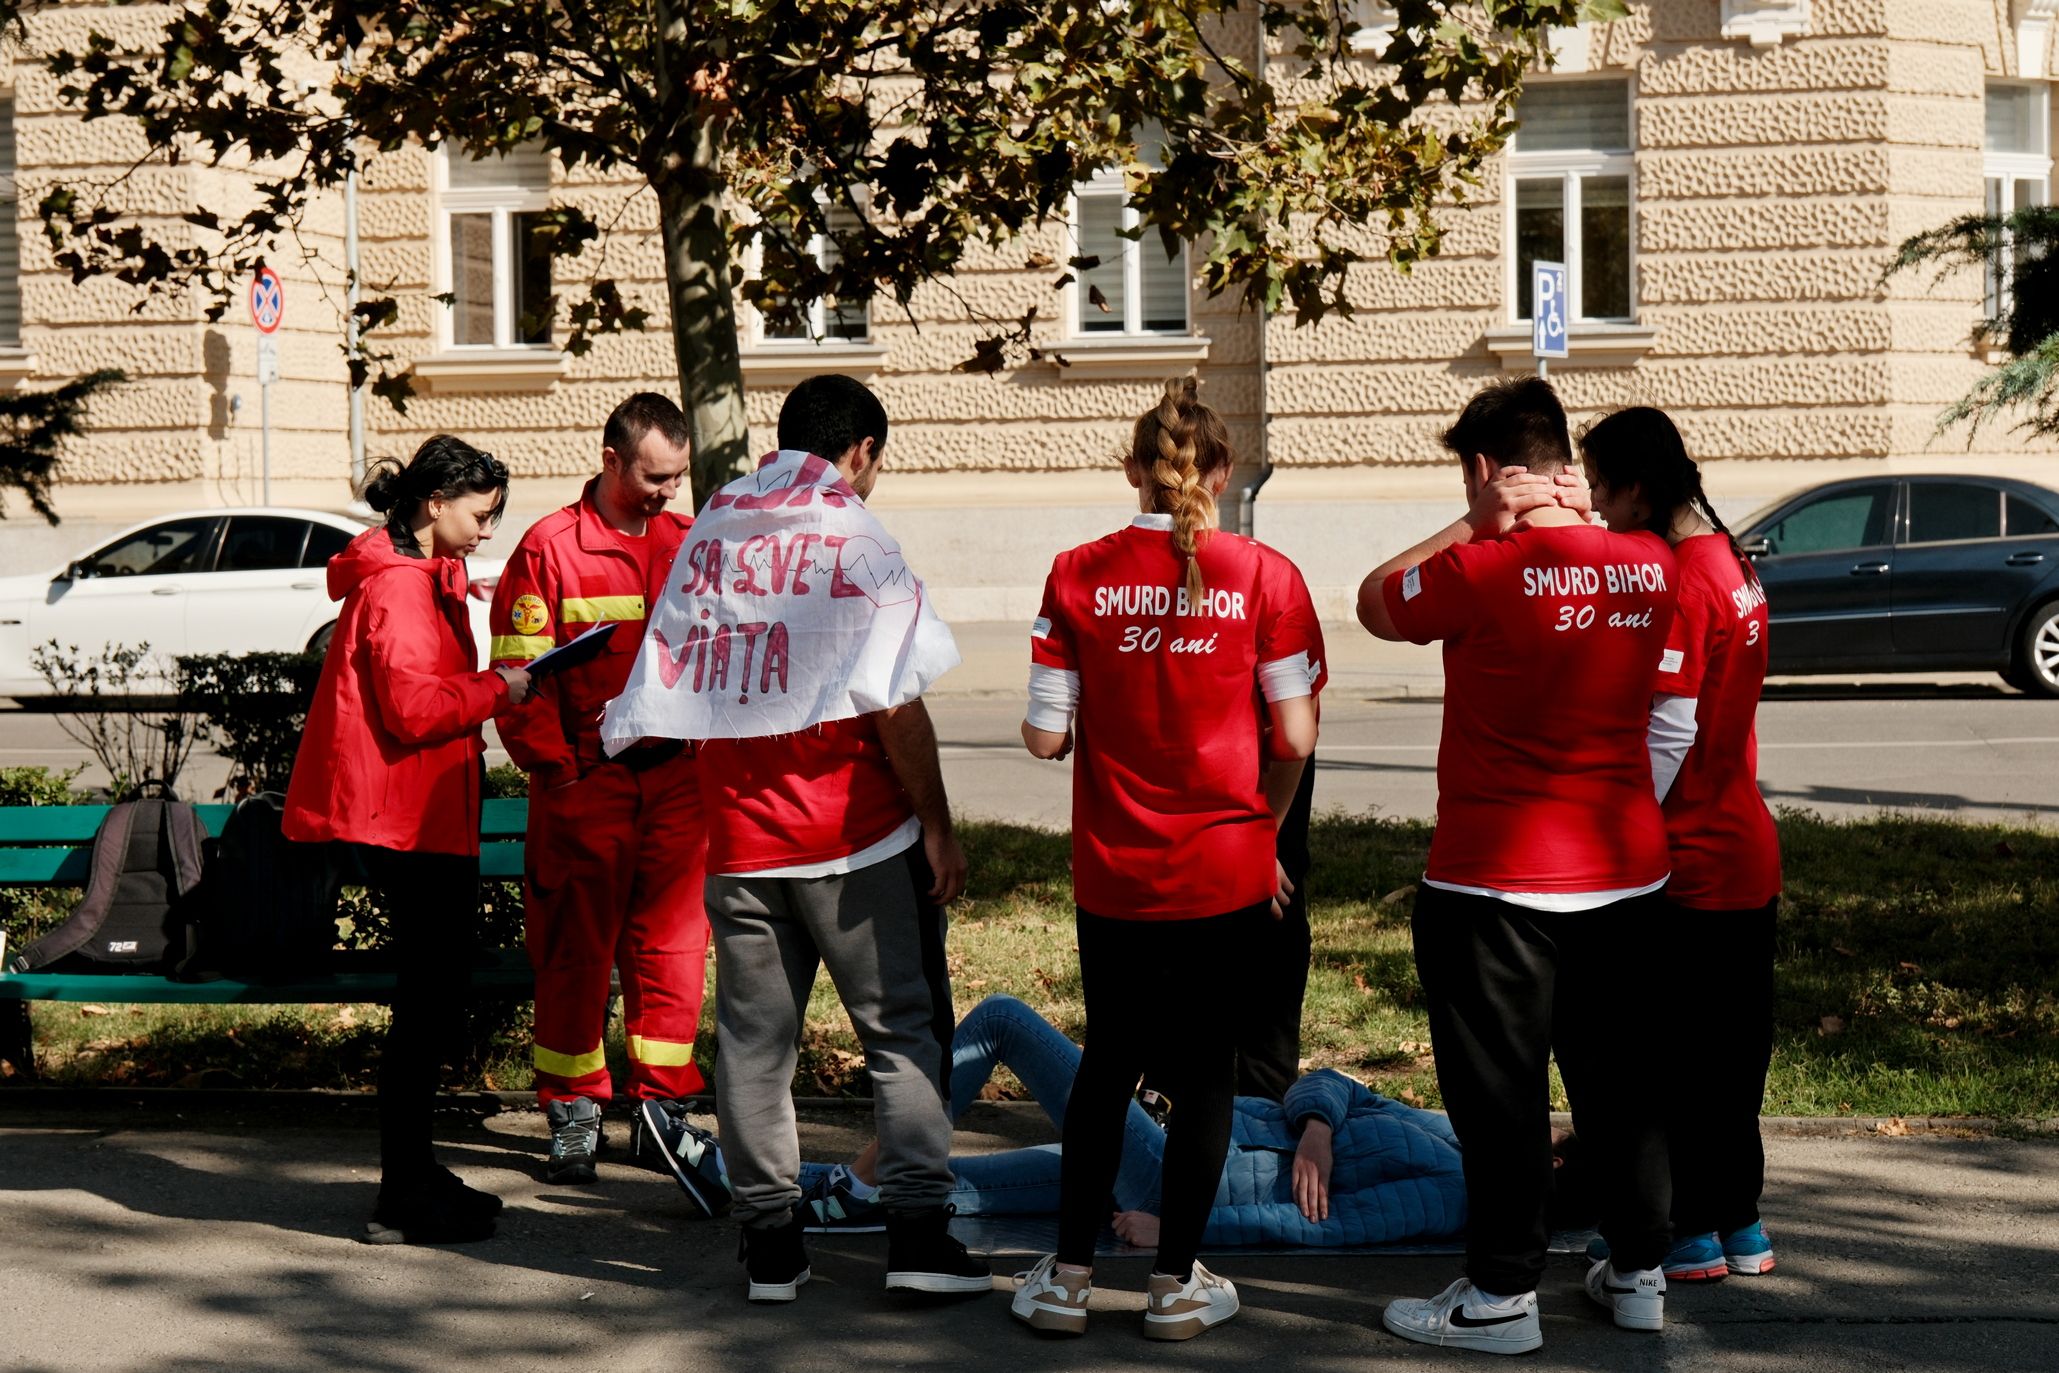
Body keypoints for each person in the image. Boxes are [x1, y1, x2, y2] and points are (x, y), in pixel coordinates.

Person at [1356, 376, 1680, 1355]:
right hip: (1624, 869)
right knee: (1619, 1082)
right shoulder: (1649, 564)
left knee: (1500, 1093)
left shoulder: (1479, 568)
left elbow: (1375, 602)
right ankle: (1638, 1270)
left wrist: (1472, 527)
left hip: (1493, 879)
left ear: (1487, 471)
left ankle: (1501, 1293)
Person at [1011, 376, 1324, 1342]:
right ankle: (1174, 1285)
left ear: (1131, 470)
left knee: (1108, 1064)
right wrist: (1265, 832)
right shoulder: (1267, 576)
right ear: (1220, 473)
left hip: (1115, 870)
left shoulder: (1075, 572)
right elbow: (1296, 735)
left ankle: (1066, 1280)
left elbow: (1042, 737)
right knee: (1205, 1076)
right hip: (1226, 869)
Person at [683, 375, 986, 1303]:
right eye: (876, 463)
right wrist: (935, 823)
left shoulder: (717, 527)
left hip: (739, 837)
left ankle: (770, 1247)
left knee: (752, 1049)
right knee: (900, 1034)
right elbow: (896, 702)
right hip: (852, 838)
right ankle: (918, 1239)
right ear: (858, 451)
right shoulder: (853, 537)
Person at [282, 435, 530, 1245]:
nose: (488, 528)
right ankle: (402, 1192)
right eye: (480, 513)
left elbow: (418, 675)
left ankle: (414, 1173)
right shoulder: (396, 589)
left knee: (430, 1003)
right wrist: (504, 686)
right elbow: (416, 709)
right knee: (425, 1008)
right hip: (408, 823)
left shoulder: (418, 573)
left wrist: (462, 589)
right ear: (434, 504)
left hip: (420, 817)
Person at [488, 393, 719, 1206]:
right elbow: (519, 682)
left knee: (673, 952)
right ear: (611, 459)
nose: (665, 492)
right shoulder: (549, 548)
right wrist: (558, 772)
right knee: (575, 953)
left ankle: (662, 1108)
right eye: (654, 477)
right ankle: (574, 1108)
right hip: (585, 781)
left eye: (677, 478)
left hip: (674, 782)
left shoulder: (688, 542)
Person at [1578, 407, 1781, 1281]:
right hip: (1745, 845)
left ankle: (1682, 1231)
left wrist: (1619, 828)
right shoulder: (1731, 560)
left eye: (1598, 485)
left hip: (1690, 854)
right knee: (1734, 1052)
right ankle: (1740, 1223)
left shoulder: (1681, 580)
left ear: (1635, 487)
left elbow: (1669, 724)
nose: (1592, 504)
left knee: (1667, 1056)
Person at [797, 995, 1466, 1249]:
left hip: (1173, 1183)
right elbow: (1330, 1083)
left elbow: (1313, 1228)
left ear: (1550, 1163)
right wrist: (1318, 1125)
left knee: (1003, 1020)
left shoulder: (1457, 1185)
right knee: (950, 1189)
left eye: (1546, 1133)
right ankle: (774, 1188)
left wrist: (1176, 1228)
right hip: (1169, 1145)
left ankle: (858, 1175)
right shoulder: (1448, 1130)